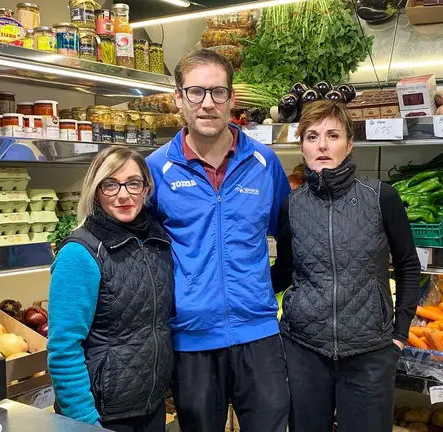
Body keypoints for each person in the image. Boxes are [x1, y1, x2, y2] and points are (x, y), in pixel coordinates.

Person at [145, 49, 291, 432]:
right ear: (179, 98)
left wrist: (260, 287)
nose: (207, 104)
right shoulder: (156, 169)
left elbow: (290, 238)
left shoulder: (264, 163)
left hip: (258, 333)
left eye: (218, 93)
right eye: (196, 92)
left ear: (231, 99)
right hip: (191, 338)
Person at [271, 100, 422, 432]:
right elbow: (283, 270)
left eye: (333, 135)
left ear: (349, 144)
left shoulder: (381, 197)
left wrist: (399, 335)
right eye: (312, 136)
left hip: (369, 353)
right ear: (302, 147)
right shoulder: (291, 206)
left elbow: (409, 266)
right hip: (304, 351)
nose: (322, 145)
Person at [47, 147, 174, 432]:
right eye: (110, 184)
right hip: (102, 416)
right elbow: (63, 348)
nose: (123, 194)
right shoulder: (80, 253)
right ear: (96, 191)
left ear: (146, 188)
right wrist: (85, 421)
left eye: (133, 183)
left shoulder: (157, 242)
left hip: (151, 406)